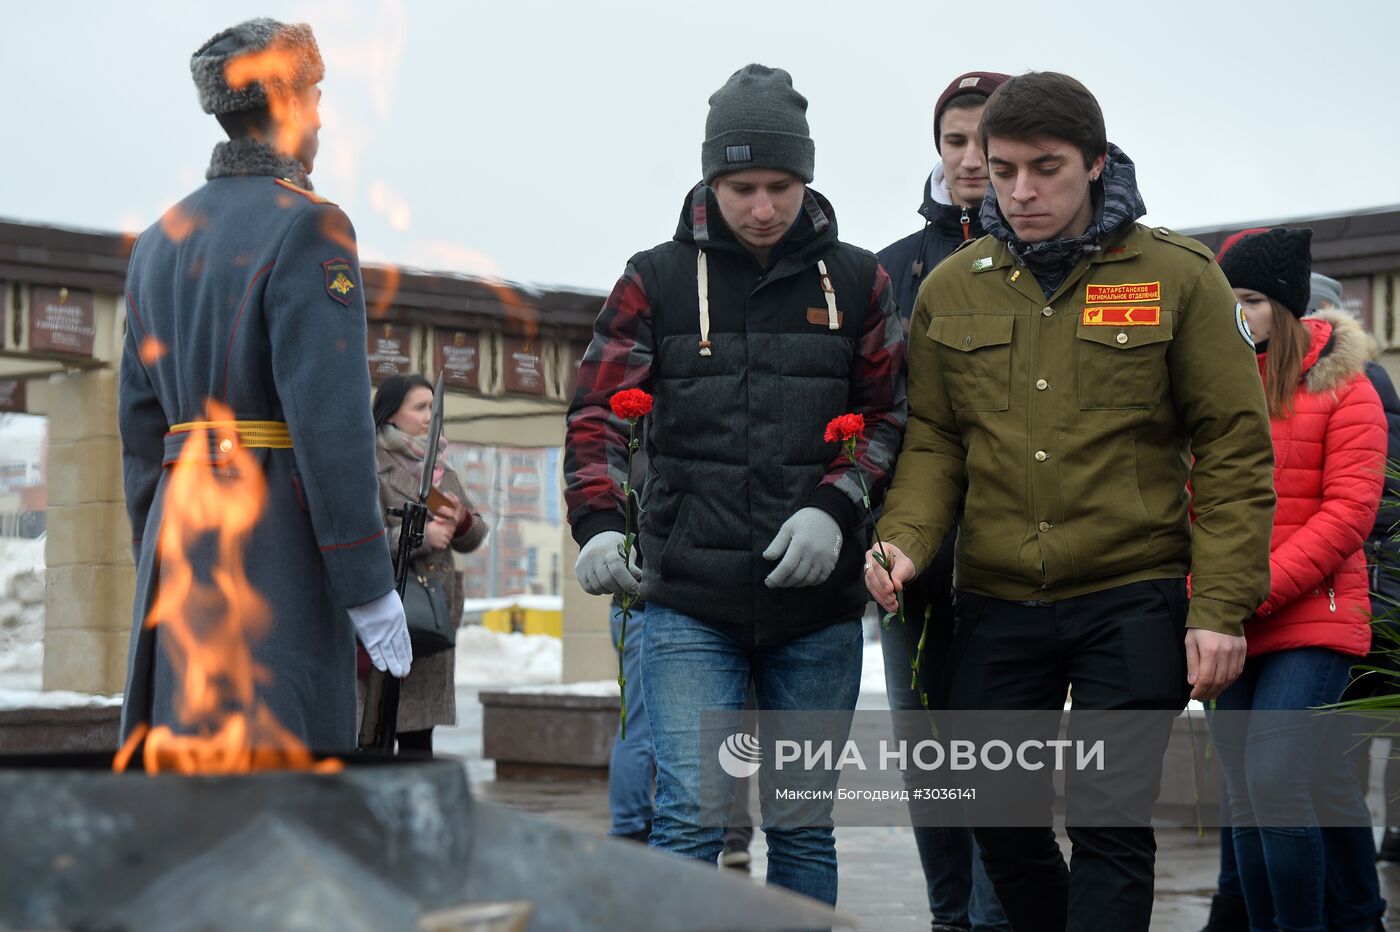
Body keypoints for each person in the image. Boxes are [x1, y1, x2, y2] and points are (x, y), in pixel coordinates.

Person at [865, 71, 1276, 932]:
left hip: (1132, 595)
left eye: (1044, 168)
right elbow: (937, 441)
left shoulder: (1179, 277)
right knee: (1001, 823)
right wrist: (904, 539)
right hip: (998, 598)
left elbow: (1235, 447)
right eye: (1002, 168)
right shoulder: (952, 289)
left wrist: (1222, 607)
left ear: (1094, 163)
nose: (1020, 191)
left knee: (1108, 820)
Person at [564, 64, 906, 905]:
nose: (762, 207)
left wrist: (837, 504)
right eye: (742, 186)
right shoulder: (656, 277)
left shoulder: (861, 280)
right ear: (710, 179)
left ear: (808, 180)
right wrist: (600, 520)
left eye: (781, 186)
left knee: (801, 824)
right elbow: (598, 412)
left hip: (816, 607)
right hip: (687, 598)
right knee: (685, 817)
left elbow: (891, 417)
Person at [119, 18, 410, 750]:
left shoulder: (156, 242)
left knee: (190, 784)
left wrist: (156, 549)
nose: (318, 116)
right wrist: (368, 583)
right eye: (313, 96)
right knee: (284, 787)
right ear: (284, 106)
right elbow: (333, 425)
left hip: (179, 544)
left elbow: (138, 431)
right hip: (271, 541)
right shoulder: (311, 227)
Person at [1208, 228, 1387, 932]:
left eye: (1250, 299)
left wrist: (1253, 586)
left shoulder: (1348, 387)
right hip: (1229, 616)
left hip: (1314, 615)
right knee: (1247, 795)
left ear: (1285, 304)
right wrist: (1207, 595)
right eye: (1230, 300)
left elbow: (1349, 513)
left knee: (1279, 781)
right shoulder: (1217, 386)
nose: (1238, 313)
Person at [877, 69, 1010, 932]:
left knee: (1001, 763)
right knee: (930, 762)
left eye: (984, 143)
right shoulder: (888, 270)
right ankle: (948, 917)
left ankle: (1003, 919)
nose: (969, 160)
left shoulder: (1055, 254)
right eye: (954, 141)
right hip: (914, 563)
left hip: (1015, 564)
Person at [369, 374, 486, 756]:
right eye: (420, 407)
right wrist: (421, 537)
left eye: (433, 408)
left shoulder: (440, 469)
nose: (429, 416)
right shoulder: (370, 464)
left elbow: (473, 535)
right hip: (390, 611)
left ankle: (417, 815)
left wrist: (461, 522)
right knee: (376, 731)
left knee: (420, 741)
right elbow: (362, 538)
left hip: (432, 618)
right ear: (391, 413)